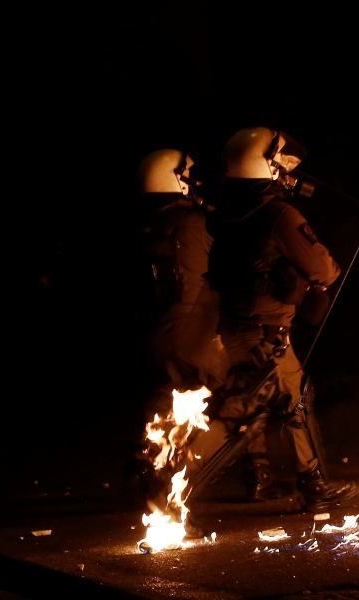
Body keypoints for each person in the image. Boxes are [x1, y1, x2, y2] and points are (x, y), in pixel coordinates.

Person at [186, 126, 359, 511]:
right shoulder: (278, 215)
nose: (286, 168)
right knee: (272, 405)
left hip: (231, 330)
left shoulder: (225, 213)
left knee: (259, 404)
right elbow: (325, 270)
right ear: (264, 166)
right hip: (265, 335)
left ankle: (261, 479)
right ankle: (173, 487)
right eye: (278, 161)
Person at [126, 148, 231, 516]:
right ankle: (171, 494)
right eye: (188, 176)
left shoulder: (148, 226)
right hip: (195, 328)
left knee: (167, 403)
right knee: (235, 405)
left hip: (160, 330)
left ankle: (145, 469)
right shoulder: (195, 223)